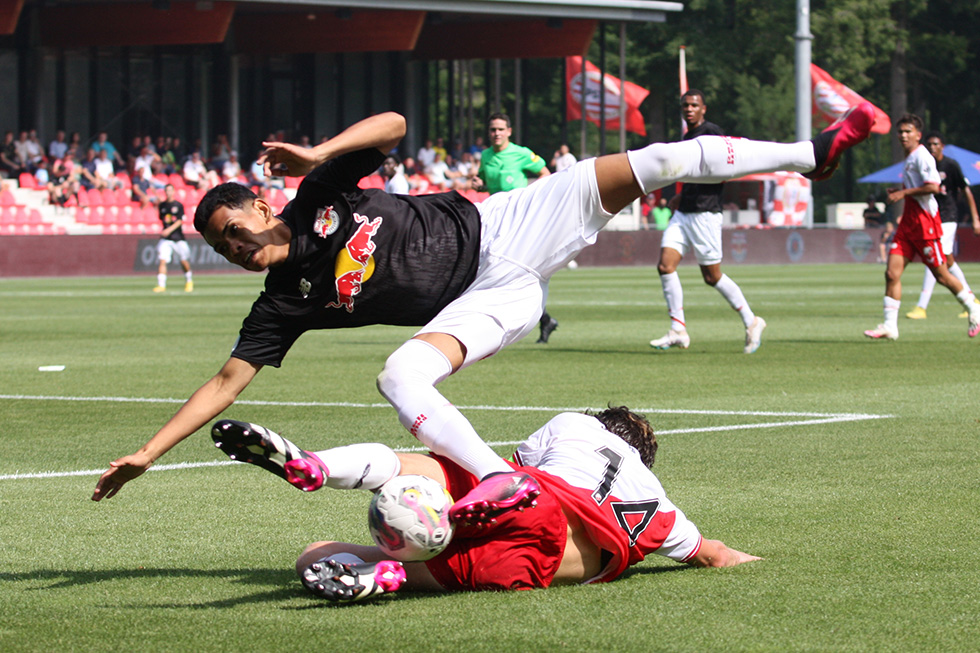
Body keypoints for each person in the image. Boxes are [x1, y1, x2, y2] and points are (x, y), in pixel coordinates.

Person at [92, 106, 875, 518]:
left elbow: (397, 126)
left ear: (260, 205)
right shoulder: (283, 304)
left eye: (234, 232)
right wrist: (146, 452)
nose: (235, 250)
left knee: (660, 162)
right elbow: (226, 382)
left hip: (502, 223)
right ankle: (503, 484)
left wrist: (319, 151)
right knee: (400, 373)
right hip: (492, 296)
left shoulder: (319, 192)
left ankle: (814, 152)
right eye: (223, 250)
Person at [206, 406, 760, 602]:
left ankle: (323, 466)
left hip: (533, 498)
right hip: (540, 565)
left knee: (461, 468)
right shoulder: (660, 507)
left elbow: (512, 463)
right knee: (318, 556)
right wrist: (760, 563)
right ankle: (391, 575)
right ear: (644, 458)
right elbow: (716, 556)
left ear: (602, 424)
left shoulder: (575, 427)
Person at [649, 90, 767, 355]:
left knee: (712, 276)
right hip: (684, 212)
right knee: (665, 266)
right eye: (685, 105)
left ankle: (752, 321)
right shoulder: (688, 136)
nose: (688, 109)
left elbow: (723, 168)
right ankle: (678, 329)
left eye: (694, 105)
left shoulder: (711, 132)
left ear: (704, 109)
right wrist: (682, 194)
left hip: (705, 213)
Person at [864, 114, 980, 340]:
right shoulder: (909, 157)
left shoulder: (922, 157)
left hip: (926, 224)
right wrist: (901, 194)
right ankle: (890, 326)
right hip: (908, 225)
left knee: (942, 275)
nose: (903, 136)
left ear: (918, 135)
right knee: (891, 273)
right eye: (900, 132)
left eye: (908, 131)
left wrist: (903, 192)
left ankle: (973, 307)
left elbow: (934, 187)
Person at [473, 113, 557, 343]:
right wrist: (479, 184)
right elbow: (484, 183)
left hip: (518, 219)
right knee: (500, 269)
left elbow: (544, 173)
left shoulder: (521, 153)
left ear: (509, 131)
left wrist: (532, 196)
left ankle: (530, 319)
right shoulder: (486, 155)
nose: (496, 133)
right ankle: (544, 319)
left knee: (508, 268)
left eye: (500, 129)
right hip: (494, 217)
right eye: (492, 130)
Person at [905, 131, 980, 320]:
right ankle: (971, 300)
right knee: (946, 260)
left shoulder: (950, 165)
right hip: (931, 216)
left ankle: (921, 307)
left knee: (934, 259)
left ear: (942, 146)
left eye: (936, 144)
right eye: (929, 144)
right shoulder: (925, 163)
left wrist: (975, 218)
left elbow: (966, 191)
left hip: (948, 216)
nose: (932, 148)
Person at [153, 184, 194, 293]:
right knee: (162, 260)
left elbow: (179, 221)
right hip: (166, 239)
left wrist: (168, 230)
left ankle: (189, 281)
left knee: (183, 261)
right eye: (166, 191)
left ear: (173, 191)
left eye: (170, 190)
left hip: (178, 238)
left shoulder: (178, 205)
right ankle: (161, 285)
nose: (168, 193)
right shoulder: (162, 205)